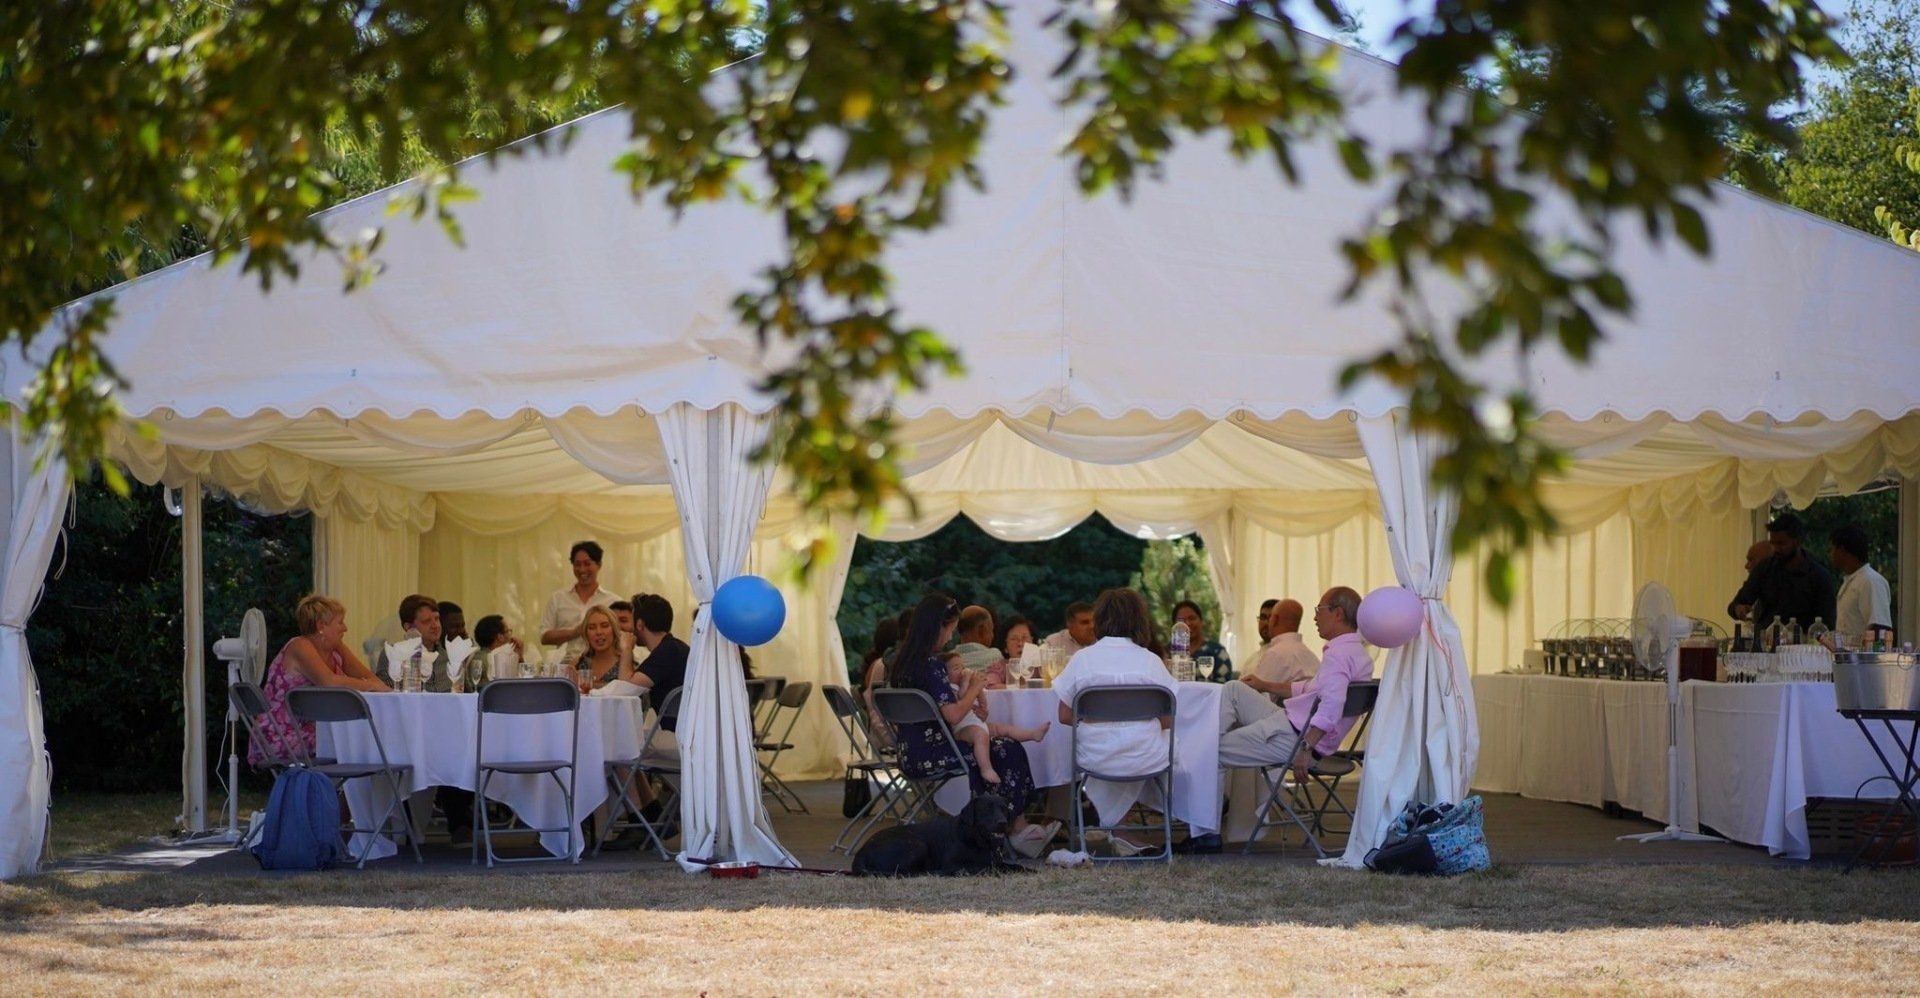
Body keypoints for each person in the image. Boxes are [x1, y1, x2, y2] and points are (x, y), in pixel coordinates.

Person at [1190, 586, 1373, 853]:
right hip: (1291, 724)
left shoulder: (1337, 655)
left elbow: (1331, 706)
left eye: (1319, 610)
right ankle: (1199, 751)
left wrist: (1307, 749)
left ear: (1337, 613)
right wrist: (1265, 684)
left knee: (1207, 752)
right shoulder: (1358, 655)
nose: (1314, 618)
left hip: (1294, 736)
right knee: (1234, 690)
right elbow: (1310, 690)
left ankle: (1206, 833)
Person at [886, 594, 1055, 857]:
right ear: (938, 627)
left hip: (910, 752)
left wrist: (970, 702)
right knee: (1007, 749)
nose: (951, 637)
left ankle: (1012, 828)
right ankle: (1010, 828)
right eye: (950, 629)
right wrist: (975, 687)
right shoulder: (931, 666)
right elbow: (952, 714)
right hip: (936, 753)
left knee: (997, 746)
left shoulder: (902, 664)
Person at [1052, 587, 1177, 856]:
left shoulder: (1083, 659)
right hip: (1145, 757)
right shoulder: (1152, 662)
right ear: (1139, 621)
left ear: (1100, 619)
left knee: (1100, 741)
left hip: (1095, 757)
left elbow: (1064, 715)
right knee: (1162, 740)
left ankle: (1116, 825)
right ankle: (1127, 826)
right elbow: (1168, 720)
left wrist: (1101, 723)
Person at [248, 594, 387, 769]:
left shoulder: (335, 647)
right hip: (280, 735)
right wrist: (373, 686)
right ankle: (353, 794)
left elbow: (368, 677)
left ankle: (349, 794)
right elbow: (329, 682)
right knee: (364, 743)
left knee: (369, 740)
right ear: (322, 626)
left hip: (317, 733)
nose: (345, 628)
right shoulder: (299, 646)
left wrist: (383, 688)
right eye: (340, 622)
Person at [943, 653, 1048, 783]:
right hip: (962, 728)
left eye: (963, 666)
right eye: (956, 668)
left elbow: (979, 695)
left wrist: (981, 700)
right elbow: (964, 697)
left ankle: (1032, 734)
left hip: (975, 722)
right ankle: (986, 769)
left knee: (1002, 728)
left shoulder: (967, 684)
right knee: (981, 735)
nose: (962, 671)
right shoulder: (949, 688)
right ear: (945, 675)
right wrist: (967, 683)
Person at [1728, 513, 1838, 632]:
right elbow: (1735, 604)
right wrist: (1738, 609)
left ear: (1798, 542)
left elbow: (1827, 624)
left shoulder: (1819, 576)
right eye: (1773, 543)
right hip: (1766, 642)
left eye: (1781, 544)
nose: (1776, 549)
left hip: (1802, 646)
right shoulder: (1764, 569)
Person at [540, 540, 618, 659]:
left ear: (599, 565)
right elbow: (544, 637)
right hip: (565, 665)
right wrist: (575, 632)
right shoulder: (558, 598)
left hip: (600, 664)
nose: (582, 570)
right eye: (577, 564)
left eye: (587, 564)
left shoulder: (613, 601)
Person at [373, 594, 456, 692]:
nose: (435, 625)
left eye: (437, 619)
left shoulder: (450, 658)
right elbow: (386, 693)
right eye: (426, 621)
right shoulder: (393, 654)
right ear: (408, 627)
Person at [1242, 599, 1318, 703]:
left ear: (1275, 620)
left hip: (1291, 717)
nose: (1266, 623)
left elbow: (1252, 701)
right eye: (1262, 618)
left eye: (1270, 617)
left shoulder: (1277, 653)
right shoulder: (1308, 654)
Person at [1830, 523, 1893, 643]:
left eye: (1832, 549)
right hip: (1848, 658)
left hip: (1864, 660)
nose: (1831, 554)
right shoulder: (1852, 581)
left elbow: (1880, 629)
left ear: (1842, 550)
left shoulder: (1870, 581)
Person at [1171, 599, 1233, 682]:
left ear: (1201, 621)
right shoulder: (1166, 653)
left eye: (1192, 618)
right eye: (1181, 620)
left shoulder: (1217, 651)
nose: (1188, 623)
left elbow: (1223, 686)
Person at [570, 604, 629, 690]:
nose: (598, 632)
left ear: (614, 629)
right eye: (592, 627)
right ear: (586, 633)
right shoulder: (577, 664)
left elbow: (626, 691)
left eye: (605, 626)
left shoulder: (625, 664)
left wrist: (587, 684)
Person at [950, 605, 1006, 682]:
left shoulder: (948, 658)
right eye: (991, 630)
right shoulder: (994, 655)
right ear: (981, 631)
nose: (992, 636)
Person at [1726, 540, 1776, 622]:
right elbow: (1734, 605)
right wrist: (1738, 609)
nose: (1746, 566)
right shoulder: (1756, 581)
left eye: (1751, 560)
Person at [473, 614, 527, 680]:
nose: (511, 636)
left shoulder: (477, 656)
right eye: (508, 631)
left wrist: (520, 657)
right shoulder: (490, 660)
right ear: (500, 637)